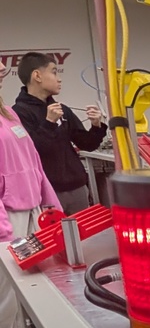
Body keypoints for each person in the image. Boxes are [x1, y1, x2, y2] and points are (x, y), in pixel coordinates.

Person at [0, 95, 62, 328]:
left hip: (33, 211)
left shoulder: (8, 113)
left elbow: (33, 160)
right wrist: (4, 232)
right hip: (8, 218)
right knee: (8, 298)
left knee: (41, 288)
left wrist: (51, 205)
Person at [12, 52, 106, 215]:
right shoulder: (18, 113)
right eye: (54, 72)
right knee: (53, 232)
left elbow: (87, 144)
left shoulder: (62, 109)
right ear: (37, 76)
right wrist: (49, 123)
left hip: (77, 188)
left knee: (82, 231)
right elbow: (30, 151)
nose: (59, 79)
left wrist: (96, 126)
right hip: (46, 192)